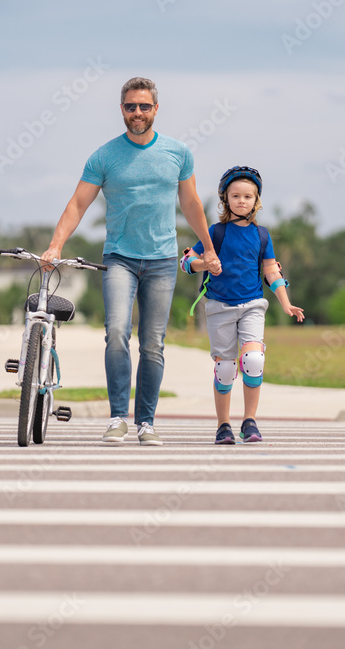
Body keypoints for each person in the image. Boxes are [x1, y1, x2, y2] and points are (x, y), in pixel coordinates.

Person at [41, 76, 220, 446]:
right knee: (117, 334)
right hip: (119, 259)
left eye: (143, 106)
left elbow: (190, 204)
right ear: (121, 109)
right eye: (129, 107)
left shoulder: (178, 153)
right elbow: (78, 204)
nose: (136, 113)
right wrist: (55, 245)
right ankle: (118, 417)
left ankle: (147, 422)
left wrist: (208, 247)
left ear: (156, 109)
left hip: (162, 260)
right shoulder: (104, 156)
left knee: (153, 342)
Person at [181, 166, 305, 444]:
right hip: (218, 307)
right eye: (235, 195)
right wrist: (204, 264)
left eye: (248, 197)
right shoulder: (215, 232)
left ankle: (249, 421)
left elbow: (272, 271)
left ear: (256, 201)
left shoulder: (261, 235)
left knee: (253, 360)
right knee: (225, 370)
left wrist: (286, 303)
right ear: (226, 199)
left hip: (252, 305)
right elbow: (186, 262)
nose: (241, 201)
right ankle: (223, 425)